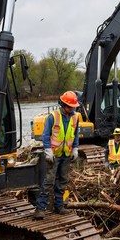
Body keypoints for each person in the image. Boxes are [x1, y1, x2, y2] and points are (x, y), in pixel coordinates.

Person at [34, 91, 80, 220]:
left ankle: (59, 206)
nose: (72, 109)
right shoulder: (53, 117)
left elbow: (75, 134)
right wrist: (47, 150)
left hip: (66, 153)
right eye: (71, 106)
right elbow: (45, 135)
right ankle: (40, 209)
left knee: (63, 180)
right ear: (64, 105)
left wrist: (75, 148)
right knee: (49, 181)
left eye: (73, 107)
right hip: (54, 154)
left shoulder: (75, 117)